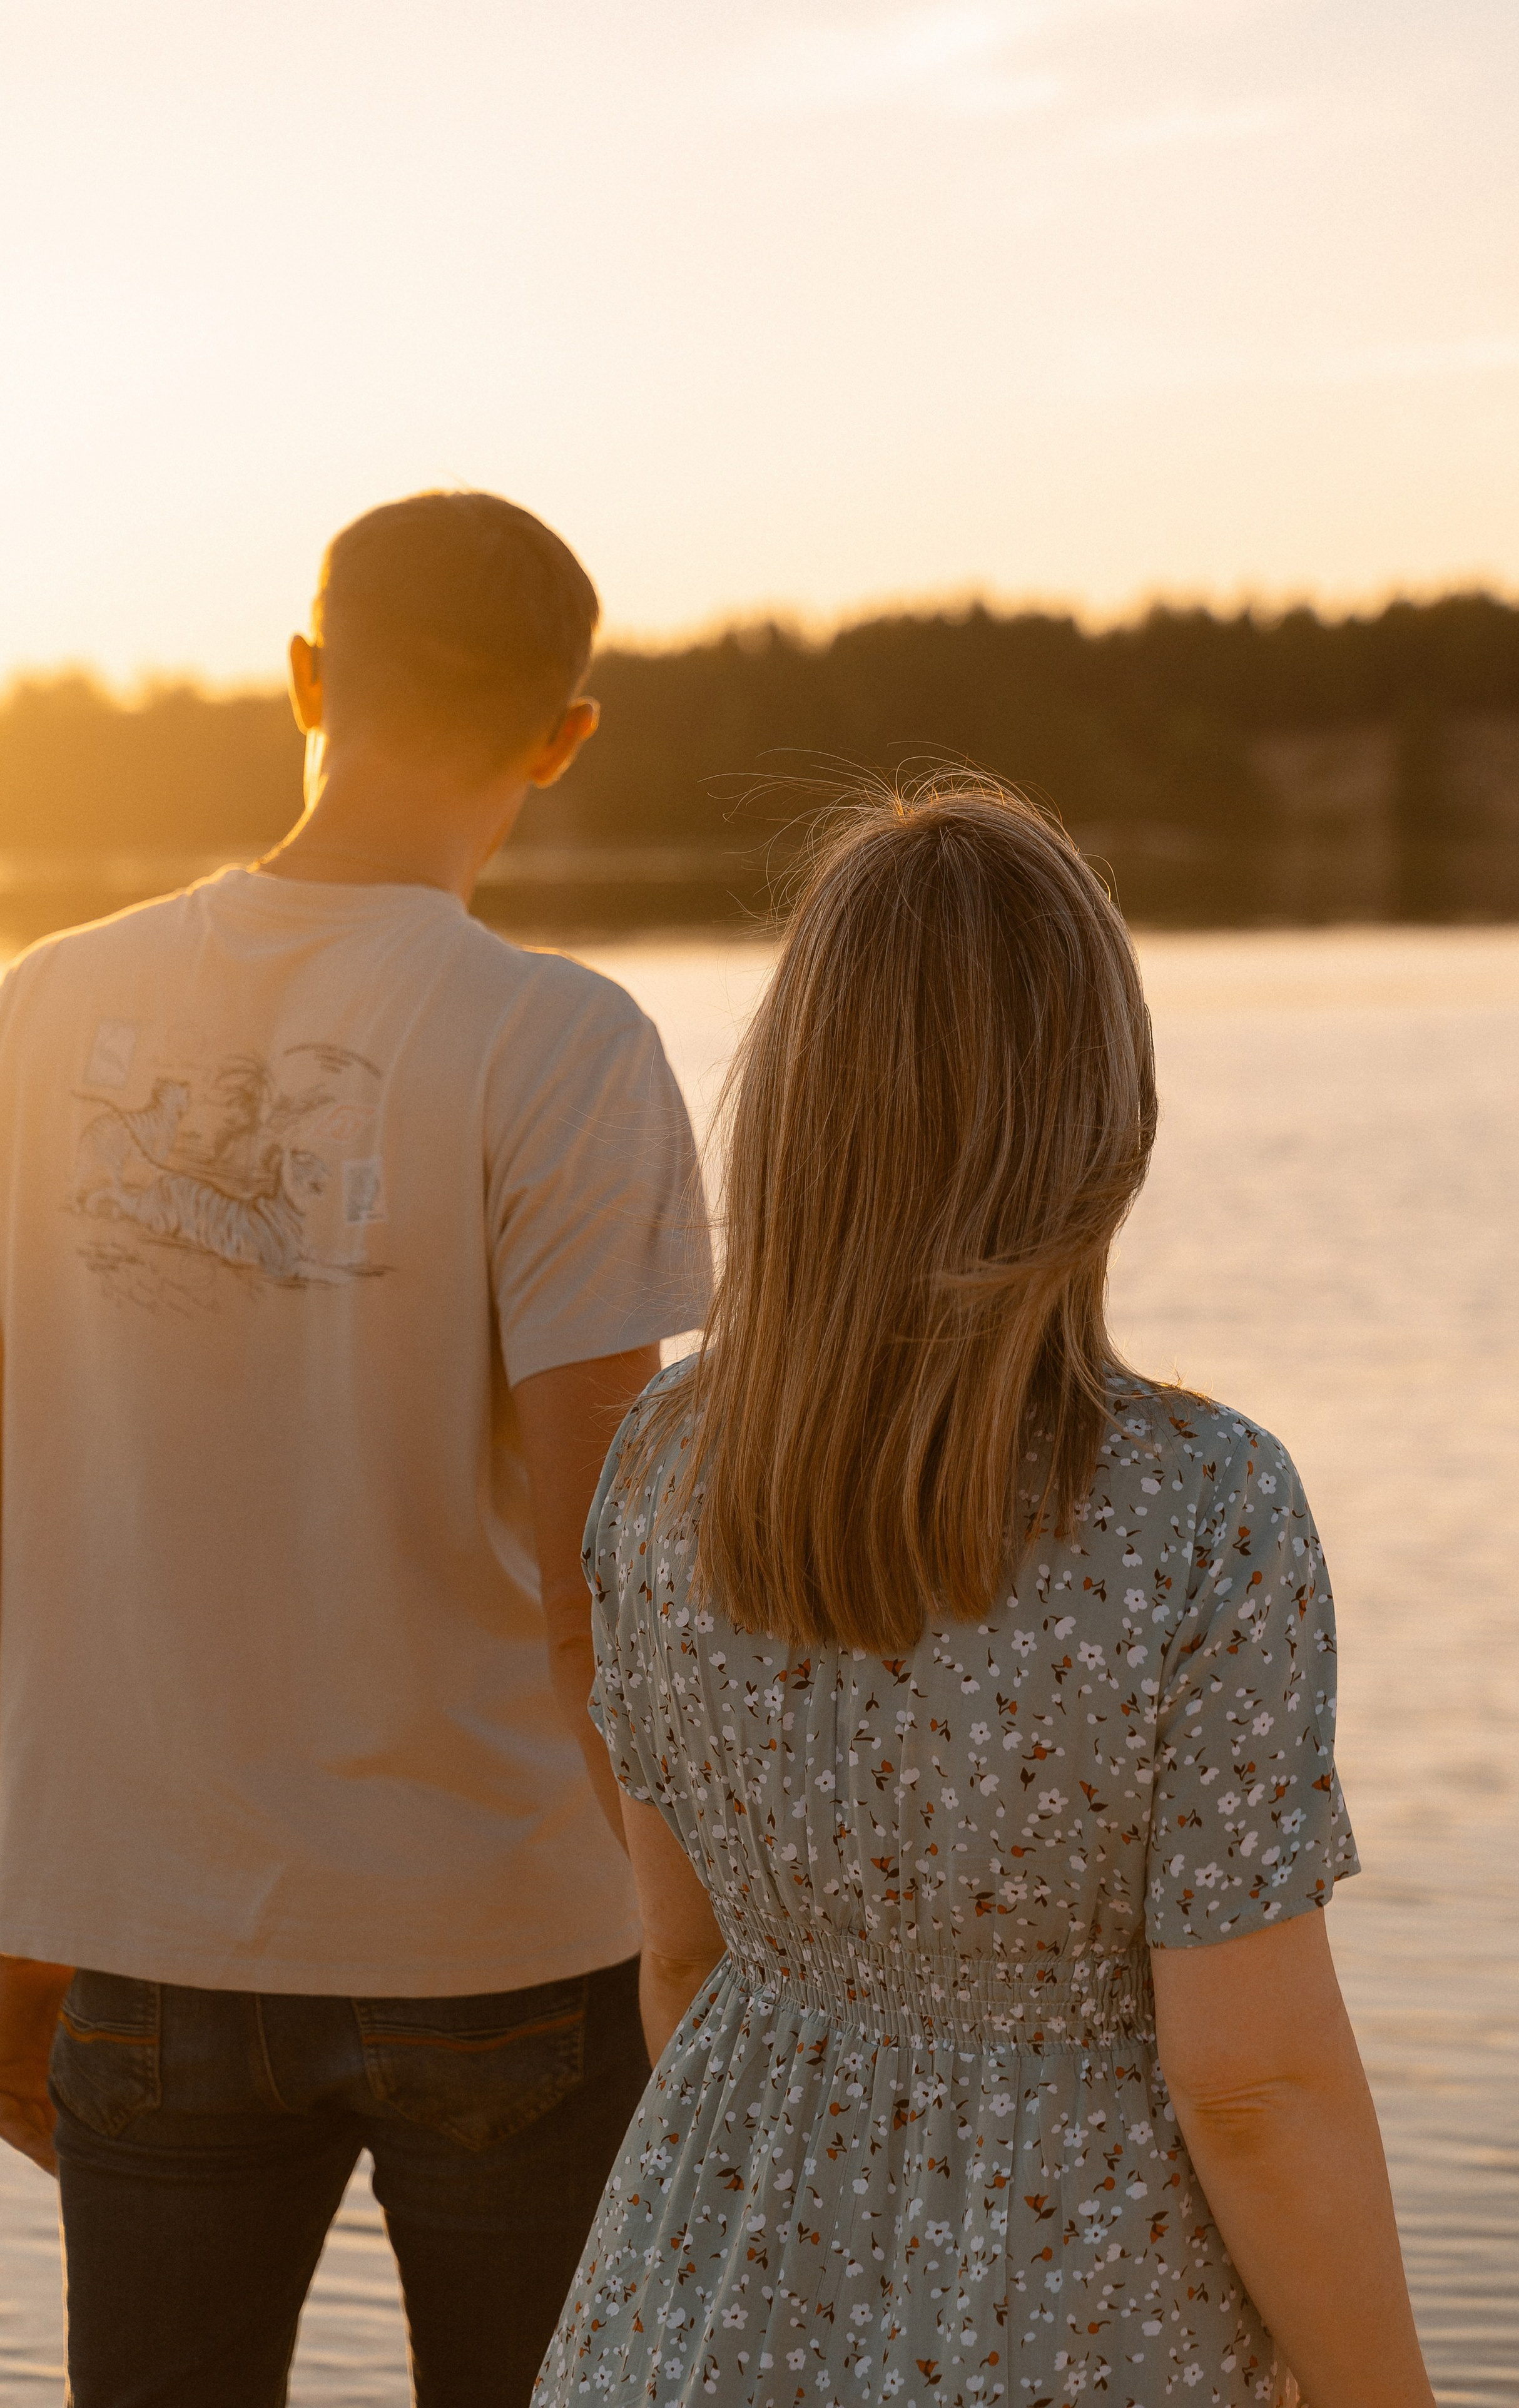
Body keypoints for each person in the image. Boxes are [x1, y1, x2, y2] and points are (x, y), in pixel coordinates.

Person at [532, 786, 1436, 2408]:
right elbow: (1254, 2083)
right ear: (1101, 1110)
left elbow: (677, 1965)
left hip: (703, 2294)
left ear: (796, 1106)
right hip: (1085, 2322)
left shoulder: (662, 1466)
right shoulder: (1204, 1507)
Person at [0, 490, 711, 2408]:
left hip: (140, 1943)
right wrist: (706, 1948)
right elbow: (608, 1577)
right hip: (510, 1946)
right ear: (565, 737)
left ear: (304, 675)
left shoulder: (38, 1014)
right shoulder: (558, 1045)